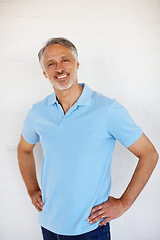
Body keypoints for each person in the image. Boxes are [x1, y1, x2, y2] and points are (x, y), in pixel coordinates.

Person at [17, 37, 158, 240]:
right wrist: (32, 190)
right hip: (48, 225)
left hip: (90, 228)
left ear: (77, 64)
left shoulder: (107, 109)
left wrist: (124, 203)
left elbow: (149, 154)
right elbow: (23, 149)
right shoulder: (38, 112)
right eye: (51, 63)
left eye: (65, 60)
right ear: (44, 72)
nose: (59, 68)